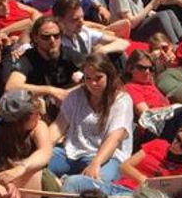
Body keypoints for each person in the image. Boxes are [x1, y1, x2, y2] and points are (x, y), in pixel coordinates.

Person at [48, 53, 133, 183]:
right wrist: (42, 148)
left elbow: (114, 138)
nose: (93, 83)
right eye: (88, 78)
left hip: (106, 157)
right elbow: (58, 127)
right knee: (36, 166)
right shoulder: (76, 96)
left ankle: (69, 181)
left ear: (109, 76)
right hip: (72, 152)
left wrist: (96, 163)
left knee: (90, 183)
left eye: (98, 78)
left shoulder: (122, 101)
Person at [6, 16, 85, 106]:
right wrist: (50, 91)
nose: (52, 40)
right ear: (35, 38)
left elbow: (97, 70)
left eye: (56, 36)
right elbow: (11, 87)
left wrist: (69, 92)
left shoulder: (68, 54)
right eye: (46, 37)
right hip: (39, 109)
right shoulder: (28, 58)